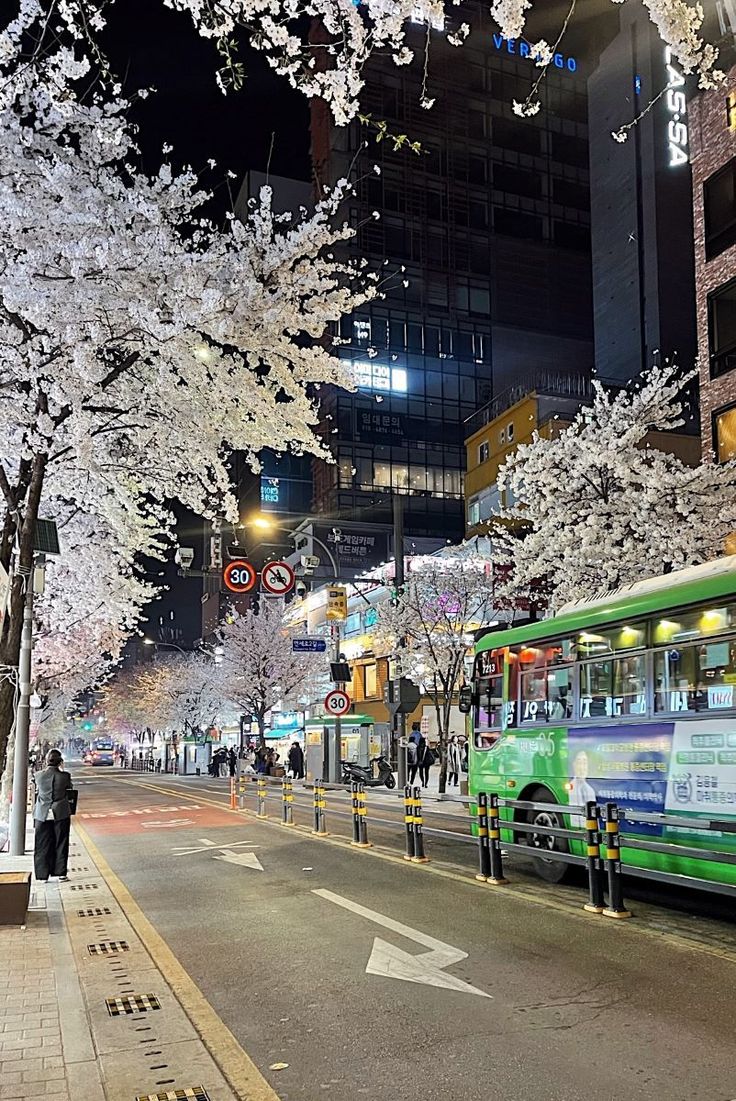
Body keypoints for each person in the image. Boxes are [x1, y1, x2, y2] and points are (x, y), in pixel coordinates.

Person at [33, 749, 74, 882]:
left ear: (46, 761)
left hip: (42, 813)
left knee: (42, 843)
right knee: (61, 841)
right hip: (60, 812)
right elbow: (70, 789)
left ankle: (42, 875)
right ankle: (60, 873)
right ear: (60, 761)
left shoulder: (38, 775)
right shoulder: (65, 776)